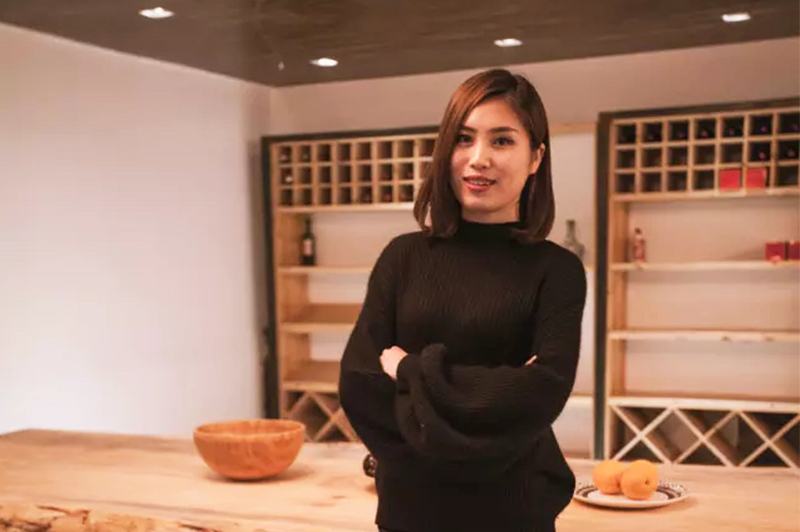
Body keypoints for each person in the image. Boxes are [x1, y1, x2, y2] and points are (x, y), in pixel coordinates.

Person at [338, 68, 587, 532]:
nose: (478, 159)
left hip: (516, 517)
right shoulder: (403, 257)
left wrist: (410, 372)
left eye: (502, 140)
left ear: (536, 157)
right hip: (411, 515)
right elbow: (360, 386)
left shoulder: (557, 271)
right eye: (463, 138)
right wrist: (499, 389)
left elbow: (542, 393)